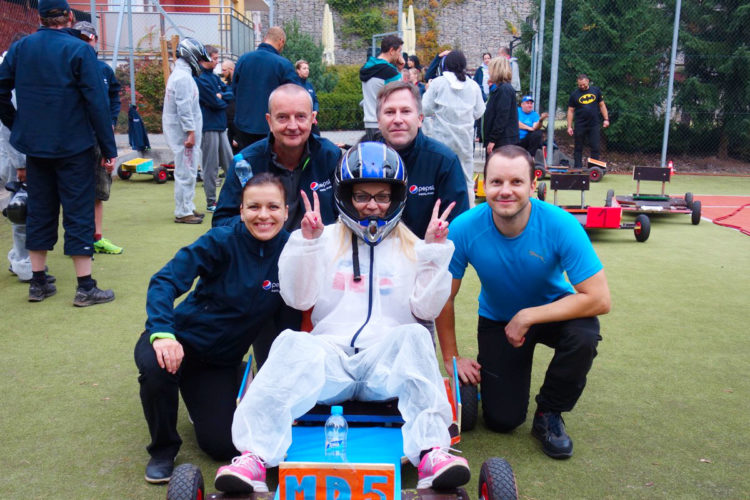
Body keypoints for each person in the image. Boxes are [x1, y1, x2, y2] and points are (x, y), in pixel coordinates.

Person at [213, 142, 470, 494]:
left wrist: (434, 253)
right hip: (331, 359)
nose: (373, 205)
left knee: (414, 336)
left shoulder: (412, 244)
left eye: (382, 196)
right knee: (291, 342)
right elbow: (297, 298)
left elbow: (426, 311)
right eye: (362, 195)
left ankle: (432, 452)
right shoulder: (321, 237)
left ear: (397, 197)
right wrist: (307, 244)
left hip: (384, 366)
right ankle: (254, 458)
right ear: (345, 196)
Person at [436, 145, 611, 459]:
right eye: (496, 182)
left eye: (516, 182)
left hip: (552, 313)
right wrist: (452, 359)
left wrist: (528, 315)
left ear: (533, 185)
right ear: (482, 184)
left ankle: (549, 414)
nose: (505, 191)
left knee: (584, 333)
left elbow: (599, 298)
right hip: (498, 321)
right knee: (503, 421)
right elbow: (443, 297)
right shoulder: (464, 228)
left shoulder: (561, 224)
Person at [135, 173, 298, 484]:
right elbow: (164, 280)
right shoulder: (221, 240)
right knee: (158, 372)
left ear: (286, 211)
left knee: (222, 446)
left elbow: (292, 318)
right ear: (241, 210)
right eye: (254, 207)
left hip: (220, 362)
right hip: (179, 343)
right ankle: (163, 449)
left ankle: (226, 382)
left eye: (273, 207)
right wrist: (163, 334)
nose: (263, 215)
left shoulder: (291, 251)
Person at [0, 0, 117, 306]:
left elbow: (1, 91)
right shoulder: (80, 50)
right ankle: (85, 286)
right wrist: (108, 148)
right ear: (68, 17)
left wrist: (18, 125)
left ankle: (38, 283)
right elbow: (97, 102)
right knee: (78, 211)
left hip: (36, 145)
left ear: (39, 17)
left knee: (39, 209)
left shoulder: (21, 48)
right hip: (74, 144)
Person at [213, 84, 341, 232]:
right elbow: (221, 222)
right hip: (263, 253)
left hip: (318, 250)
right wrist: (254, 222)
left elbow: (347, 215)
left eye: (300, 116)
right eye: (282, 117)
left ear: (312, 119)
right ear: (269, 121)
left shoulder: (330, 156)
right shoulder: (245, 163)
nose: (293, 126)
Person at [375, 80, 470, 239]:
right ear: (378, 121)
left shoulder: (444, 162)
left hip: (428, 258)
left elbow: (458, 228)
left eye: (405, 111)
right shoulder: (363, 161)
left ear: (420, 118)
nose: (398, 119)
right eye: (390, 112)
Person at [73, 21, 124, 255]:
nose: (84, 44)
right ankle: (75, 239)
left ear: (94, 40)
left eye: (87, 40)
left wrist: (110, 123)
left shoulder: (103, 70)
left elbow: (114, 97)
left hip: (98, 138)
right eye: (79, 39)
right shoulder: (68, 66)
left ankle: (96, 238)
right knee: (72, 191)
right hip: (73, 139)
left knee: (98, 191)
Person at [422, 50, 485, 206]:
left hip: (441, 141)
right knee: (467, 180)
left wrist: (429, 90)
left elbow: (425, 109)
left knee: (438, 179)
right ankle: (469, 214)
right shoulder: (473, 85)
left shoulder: (438, 83)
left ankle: (437, 213)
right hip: (464, 140)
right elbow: (479, 112)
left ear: (446, 65)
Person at [163, 37, 208, 225]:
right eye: (198, 59)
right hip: (184, 135)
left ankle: (187, 207)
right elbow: (184, 107)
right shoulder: (182, 78)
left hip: (185, 133)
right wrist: (190, 131)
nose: (199, 63)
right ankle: (183, 211)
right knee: (186, 171)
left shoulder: (182, 75)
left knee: (188, 170)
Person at [232, 27, 299, 150]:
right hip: (271, 128)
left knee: (247, 165)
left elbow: (234, 90)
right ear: (281, 41)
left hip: (243, 127)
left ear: (264, 39)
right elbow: (294, 97)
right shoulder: (283, 64)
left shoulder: (243, 59)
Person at [195, 45, 234, 213]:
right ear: (206, 59)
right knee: (210, 167)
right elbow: (214, 101)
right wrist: (220, 98)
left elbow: (230, 93)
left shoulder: (214, 77)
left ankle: (237, 197)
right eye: (215, 58)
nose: (217, 62)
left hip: (220, 126)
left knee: (230, 163)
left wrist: (221, 97)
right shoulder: (200, 79)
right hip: (208, 127)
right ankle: (211, 201)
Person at [359, 34, 403, 140]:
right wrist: (400, 71)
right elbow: (401, 96)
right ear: (392, 51)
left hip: (368, 121)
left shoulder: (367, 67)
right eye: (399, 51)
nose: (399, 55)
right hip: (384, 123)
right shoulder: (390, 72)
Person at [567, 74, 610, 169]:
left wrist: (606, 119)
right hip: (580, 124)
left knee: (595, 146)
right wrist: (569, 126)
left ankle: (594, 168)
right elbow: (570, 110)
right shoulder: (574, 94)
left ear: (588, 81)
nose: (582, 86)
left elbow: (602, 105)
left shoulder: (596, 91)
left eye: (583, 84)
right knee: (578, 147)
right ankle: (577, 167)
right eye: (580, 85)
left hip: (593, 124)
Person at [482, 57, 519, 155]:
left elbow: (502, 116)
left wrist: (493, 139)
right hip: (501, 140)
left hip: (502, 141)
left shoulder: (504, 90)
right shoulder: (499, 89)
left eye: (490, 69)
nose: (488, 72)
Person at [294, 59, 320, 136]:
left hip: (311, 119)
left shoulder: (309, 85)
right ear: (298, 70)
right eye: (304, 68)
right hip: (300, 120)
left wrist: (315, 111)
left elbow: (315, 101)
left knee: (317, 140)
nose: (307, 70)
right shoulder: (294, 85)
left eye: (308, 68)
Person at [220, 60, 239, 153]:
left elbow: (233, 95)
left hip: (236, 120)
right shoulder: (226, 84)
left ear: (231, 69)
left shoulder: (238, 84)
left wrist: (221, 95)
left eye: (224, 70)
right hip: (229, 121)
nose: (222, 73)